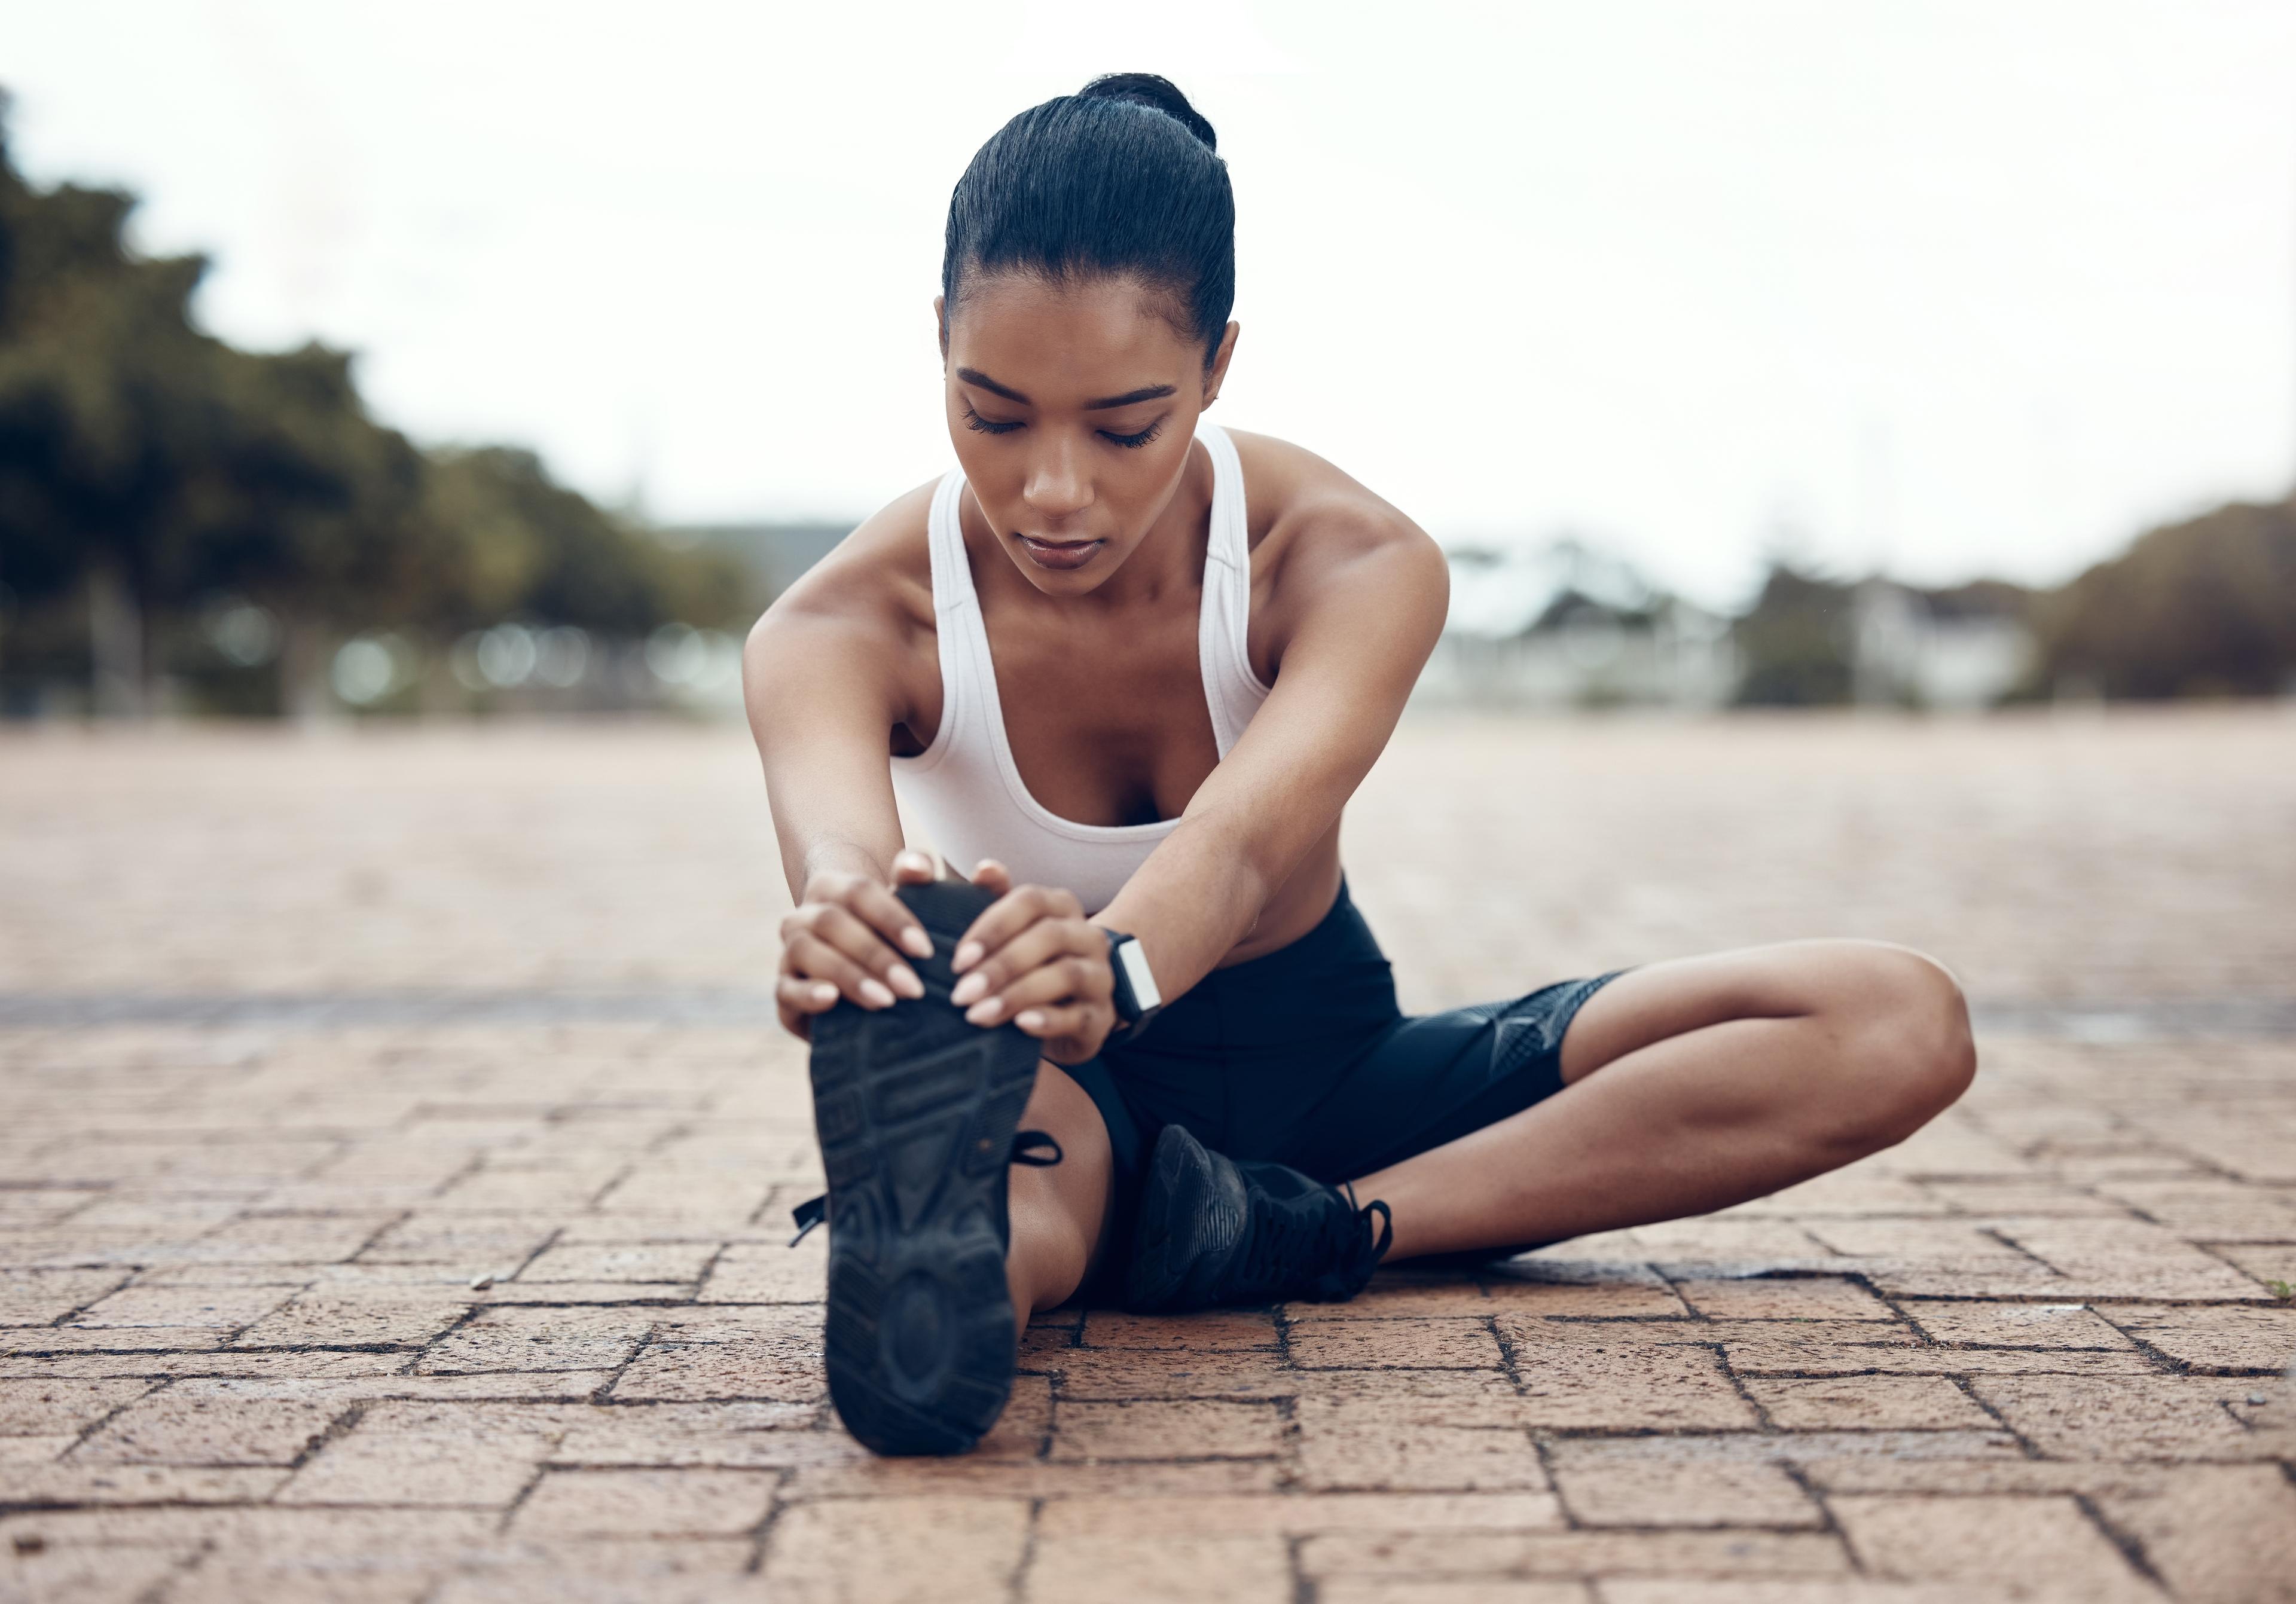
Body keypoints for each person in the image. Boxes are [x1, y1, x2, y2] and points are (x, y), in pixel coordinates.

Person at [743, 74, 1976, 1457]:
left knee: (1891, 1019)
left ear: (1218, 367)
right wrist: (852, 929)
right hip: (1057, 1082)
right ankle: (956, 1267)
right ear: (938, 350)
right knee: (1015, 1185)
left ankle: (1317, 1230)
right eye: (996, 413)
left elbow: (1247, 841)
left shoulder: (1349, 561)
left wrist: (1121, 965)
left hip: (1329, 1072)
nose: (1054, 490)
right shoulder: (840, 624)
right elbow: (843, 852)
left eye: (1126, 425)